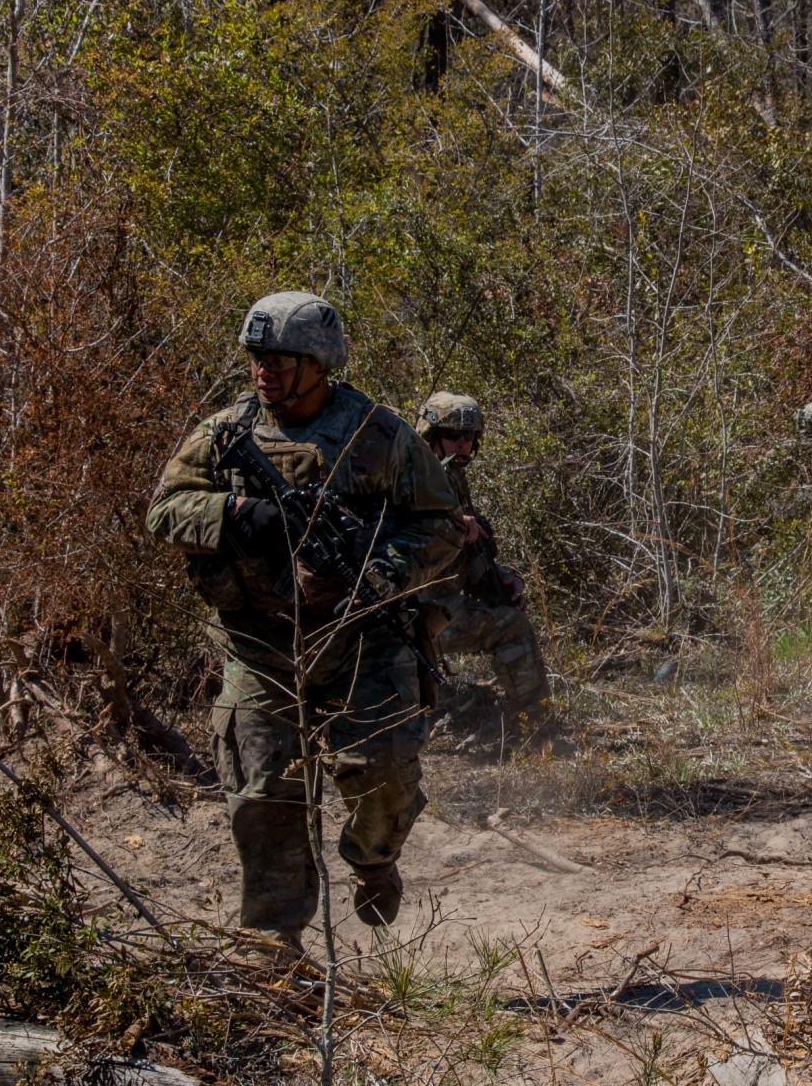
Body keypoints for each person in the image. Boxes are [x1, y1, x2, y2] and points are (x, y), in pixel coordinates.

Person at [147, 292, 460, 952]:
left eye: (283, 359)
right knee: (262, 796)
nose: (266, 371)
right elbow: (165, 511)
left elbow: (439, 524)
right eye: (259, 358)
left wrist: (384, 572)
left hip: (363, 636)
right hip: (259, 638)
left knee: (382, 772)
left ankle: (373, 859)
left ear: (320, 364)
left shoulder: (378, 433)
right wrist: (236, 517)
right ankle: (272, 947)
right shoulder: (223, 434)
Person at [414, 392, 550, 722]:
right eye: (452, 435)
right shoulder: (413, 479)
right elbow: (410, 544)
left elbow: (462, 557)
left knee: (510, 611)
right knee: (509, 624)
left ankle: (539, 718)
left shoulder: (449, 478)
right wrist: (454, 529)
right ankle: (535, 727)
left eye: (469, 436)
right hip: (414, 614)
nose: (462, 443)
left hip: (437, 605)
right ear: (432, 435)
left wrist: (501, 575)